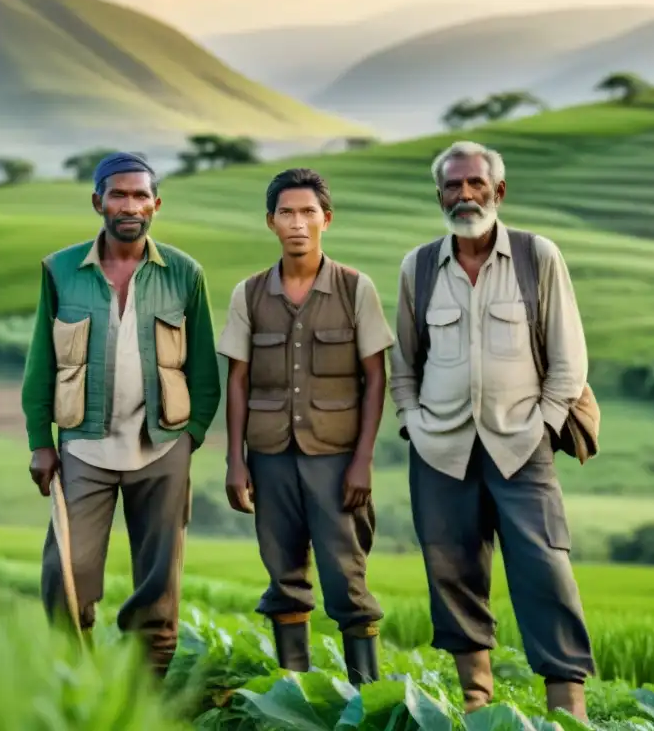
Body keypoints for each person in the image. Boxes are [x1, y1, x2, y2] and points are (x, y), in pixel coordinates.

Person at [388, 141, 597, 719]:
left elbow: (568, 358)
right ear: (439, 196)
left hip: (522, 444)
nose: (464, 195)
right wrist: (413, 420)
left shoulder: (537, 257)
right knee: (451, 570)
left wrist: (545, 423)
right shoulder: (419, 266)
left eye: (475, 183)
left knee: (544, 567)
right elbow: (403, 362)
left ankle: (567, 707)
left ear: (498, 191)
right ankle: (477, 701)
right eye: (452, 186)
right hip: (441, 448)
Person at [20, 151, 222, 678]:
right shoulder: (60, 270)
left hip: (162, 447)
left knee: (159, 586)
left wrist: (190, 438)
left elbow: (204, 367)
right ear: (97, 202)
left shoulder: (184, 273)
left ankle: (143, 690)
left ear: (156, 204)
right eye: (118, 194)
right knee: (64, 573)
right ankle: (75, 679)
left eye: (140, 195)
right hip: (84, 448)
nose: (129, 205)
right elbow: (41, 359)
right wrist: (41, 441)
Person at [216, 168, 393, 686]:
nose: (298, 223)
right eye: (286, 213)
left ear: (327, 219)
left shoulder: (356, 287)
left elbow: (376, 379)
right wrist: (235, 460)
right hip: (270, 456)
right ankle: (294, 695)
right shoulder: (248, 294)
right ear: (270, 222)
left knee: (347, 581)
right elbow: (238, 381)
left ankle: (367, 697)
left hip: (337, 459)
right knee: (283, 577)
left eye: (308, 212)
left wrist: (363, 459)